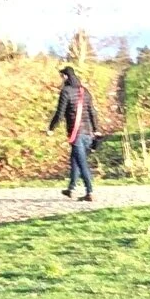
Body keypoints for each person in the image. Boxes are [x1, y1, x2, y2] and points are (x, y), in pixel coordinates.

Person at [49, 65, 98, 203]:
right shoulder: (85, 91)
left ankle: (90, 191)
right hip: (88, 132)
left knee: (81, 163)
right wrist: (96, 129)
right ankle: (71, 188)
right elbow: (92, 112)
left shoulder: (66, 92)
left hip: (76, 133)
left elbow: (60, 113)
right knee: (75, 159)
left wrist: (51, 128)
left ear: (65, 76)